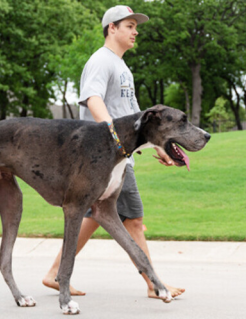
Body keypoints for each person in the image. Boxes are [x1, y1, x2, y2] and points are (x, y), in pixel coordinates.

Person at [42, 5, 185, 299]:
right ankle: (154, 284)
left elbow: (136, 119)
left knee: (97, 215)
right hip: (106, 155)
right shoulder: (101, 61)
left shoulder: (122, 67)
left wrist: (157, 145)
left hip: (117, 154)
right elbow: (93, 99)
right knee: (133, 219)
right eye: (130, 26)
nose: (135, 32)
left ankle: (55, 273)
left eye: (136, 27)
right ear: (112, 28)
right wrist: (113, 139)